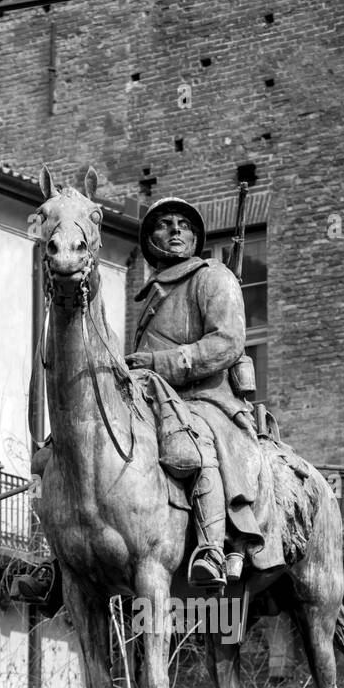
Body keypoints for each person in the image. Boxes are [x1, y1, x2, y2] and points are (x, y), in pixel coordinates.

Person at [127, 197, 261, 589]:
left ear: (196, 236)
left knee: (193, 441)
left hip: (204, 401)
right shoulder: (152, 294)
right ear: (150, 238)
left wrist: (161, 363)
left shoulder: (212, 277)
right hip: (152, 400)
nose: (174, 230)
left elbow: (227, 342)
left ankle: (211, 548)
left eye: (183, 225)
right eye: (164, 224)